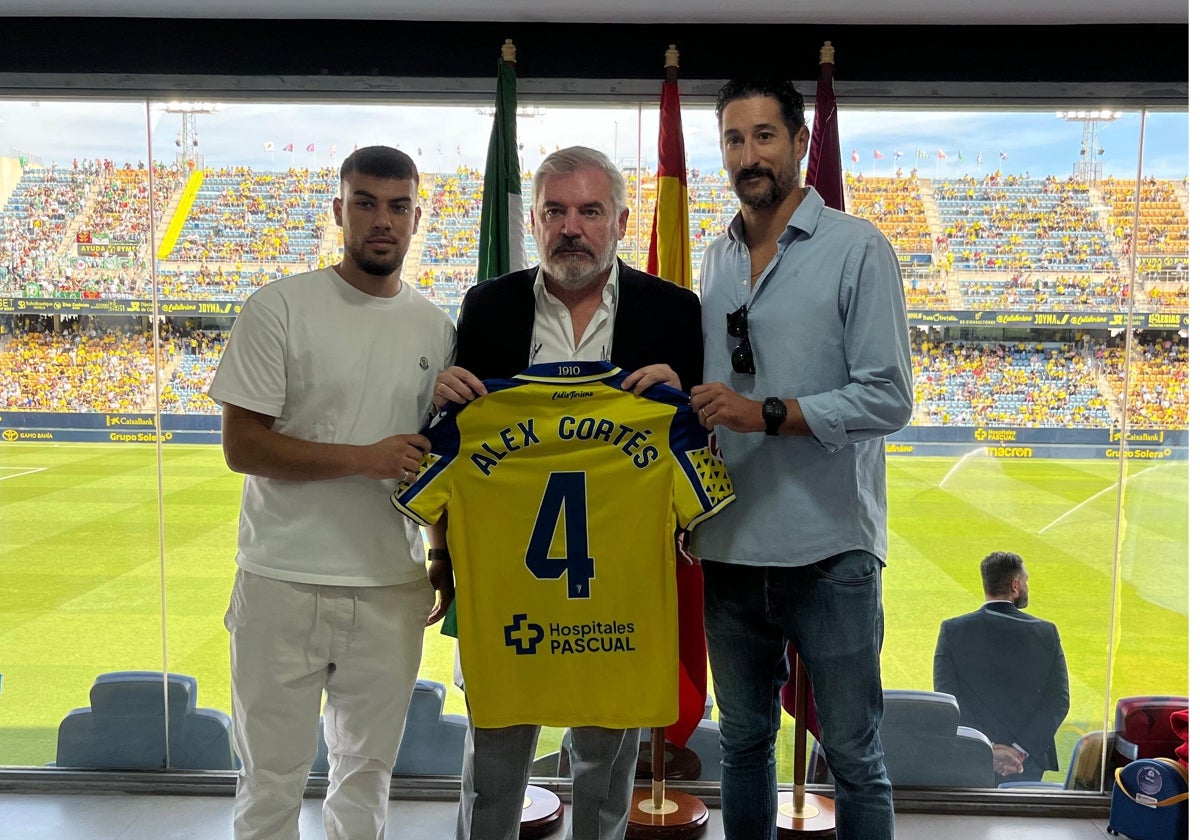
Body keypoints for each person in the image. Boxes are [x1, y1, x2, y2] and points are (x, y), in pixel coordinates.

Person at [431, 145, 704, 840]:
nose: (570, 228)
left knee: (606, 778)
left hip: (617, 594)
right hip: (510, 594)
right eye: (554, 211)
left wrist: (688, 401)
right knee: (492, 772)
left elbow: (703, 441)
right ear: (536, 221)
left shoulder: (673, 311)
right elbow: (457, 445)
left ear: (619, 220)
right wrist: (447, 398)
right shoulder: (488, 307)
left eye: (588, 211)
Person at [687, 75, 914, 839]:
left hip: (831, 552)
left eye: (764, 136)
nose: (748, 154)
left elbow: (889, 399)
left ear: (800, 144)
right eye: (733, 139)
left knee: (853, 755)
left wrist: (769, 413)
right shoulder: (713, 260)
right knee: (743, 746)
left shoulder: (858, 249)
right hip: (729, 545)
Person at [208, 146, 455, 840]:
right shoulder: (279, 307)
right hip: (281, 580)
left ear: (416, 216)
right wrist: (364, 458)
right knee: (269, 781)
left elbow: (434, 459)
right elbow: (243, 446)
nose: (383, 221)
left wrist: (438, 553)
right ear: (338, 210)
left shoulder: (437, 328)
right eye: (367, 203)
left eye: (399, 205)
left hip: (389, 582)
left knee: (366, 777)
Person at [934, 551, 1071, 784]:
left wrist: (988, 747)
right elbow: (1059, 699)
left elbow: (948, 697)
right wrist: (1019, 750)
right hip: (1026, 761)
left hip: (972, 755)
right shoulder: (1046, 632)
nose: (1027, 586)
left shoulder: (953, 630)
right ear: (1015, 585)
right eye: (1026, 580)